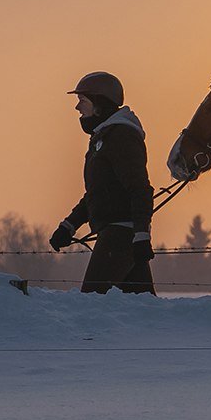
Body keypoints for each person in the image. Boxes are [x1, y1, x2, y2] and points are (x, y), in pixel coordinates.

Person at [51, 71, 156, 295]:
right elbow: (100, 192)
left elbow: (140, 189)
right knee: (144, 315)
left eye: (82, 101)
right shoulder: (104, 138)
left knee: (90, 306)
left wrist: (141, 236)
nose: (77, 108)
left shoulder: (121, 137)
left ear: (100, 104)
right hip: (120, 236)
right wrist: (69, 225)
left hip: (120, 238)